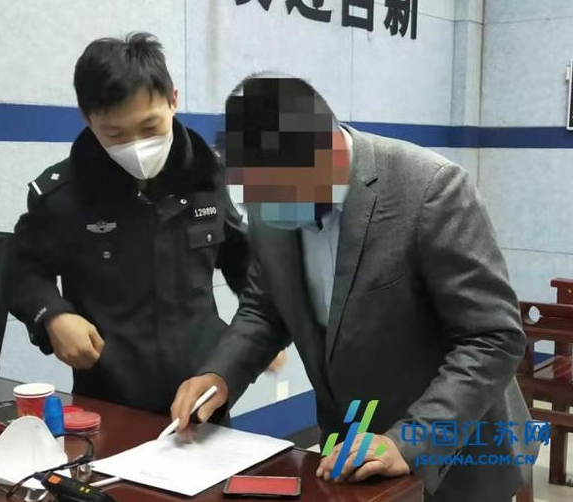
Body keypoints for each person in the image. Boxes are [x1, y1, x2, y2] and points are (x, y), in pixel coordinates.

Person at [170, 73, 537, 501]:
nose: (269, 208)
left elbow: (493, 337)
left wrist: (411, 441)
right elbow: (265, 310)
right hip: (347, 446)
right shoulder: (270, 200)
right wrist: (219, 375)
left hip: (453, 453)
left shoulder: (430, 189)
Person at [8, 33, 249, 416]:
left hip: (201, 396)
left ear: (173, 100)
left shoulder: (206, 177)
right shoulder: (63, 196)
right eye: (115, 134)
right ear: (87, 119)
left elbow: (242, 258)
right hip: (108, 401)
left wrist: (253, 339)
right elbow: (22, 270)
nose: (136, 145)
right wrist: (52, 315)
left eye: (150, 127)